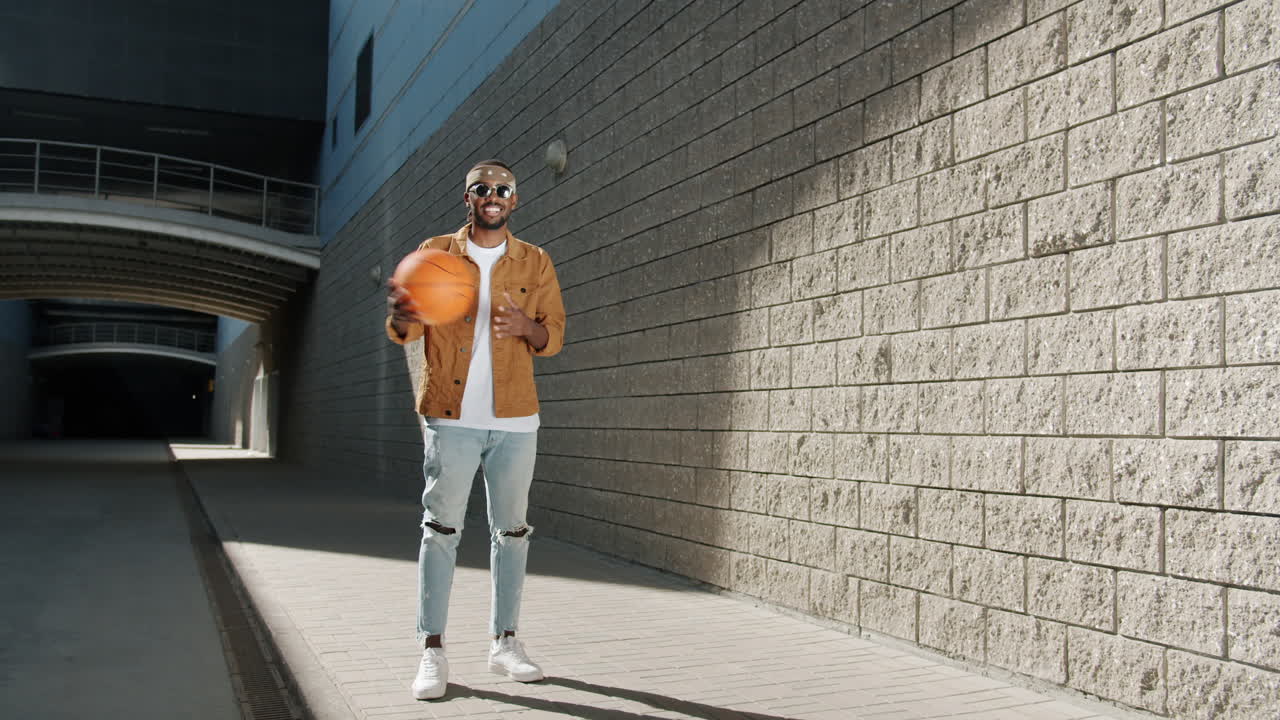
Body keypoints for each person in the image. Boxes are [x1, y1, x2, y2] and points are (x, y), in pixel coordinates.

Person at [386, 159, 565, 700]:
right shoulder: (435, 253)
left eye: (503, 189)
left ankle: (505, 643)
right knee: (440, 531)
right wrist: (399, 314)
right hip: (452, 414)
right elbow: (404, 329)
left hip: (515, 419)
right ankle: (432, 651)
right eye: (482, 189)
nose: (493, 196)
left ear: (515, 199)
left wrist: (525, 327)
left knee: (511, 534)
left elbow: (554, 335)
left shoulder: (535, 262)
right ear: (468, 198)